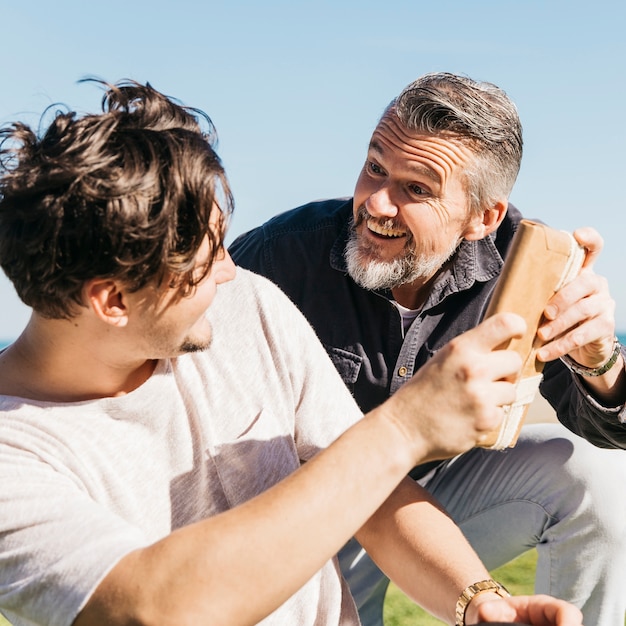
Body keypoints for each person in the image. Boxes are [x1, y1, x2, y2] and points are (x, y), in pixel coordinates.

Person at [0, 80, 583, 626]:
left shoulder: (246, 306)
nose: (233, 271)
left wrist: (478, 603)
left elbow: (374, 497)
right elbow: (150, 609)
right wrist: (405, 428)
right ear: (113, 300)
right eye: (208, 259)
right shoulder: (14, 458)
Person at [230, 72, 626, 626]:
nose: (377, 205)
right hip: (303, 513)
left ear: (483, 218)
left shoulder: (526, 271)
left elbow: (613, 431)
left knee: (601, 480)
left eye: (416, 189)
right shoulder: (276, 259)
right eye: (375, 168)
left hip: (438, 503)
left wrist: (600, 359)